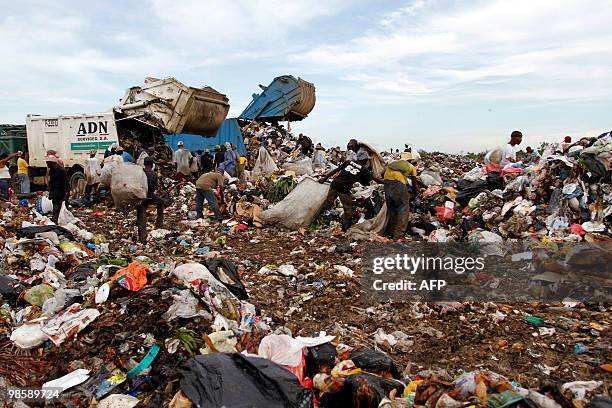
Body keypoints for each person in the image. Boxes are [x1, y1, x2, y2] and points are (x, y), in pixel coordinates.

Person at [318, 150, 380, 231]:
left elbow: (335, 170)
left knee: (328, 204)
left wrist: (324, 178)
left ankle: (319, 222)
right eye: (367, 160)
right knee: (348, 211)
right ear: (364, 160)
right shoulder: (363, 169)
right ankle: (345, 230)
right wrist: (385, 182)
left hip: (335, 184)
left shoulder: (348, 162)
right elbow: (374, 179)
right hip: (344, 189)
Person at [383, 152, 419, 239]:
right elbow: (414, 183)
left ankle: (392, 231)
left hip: (386, 183)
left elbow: (381, 173)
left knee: (392, 207)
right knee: (403, 207)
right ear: (410, 160)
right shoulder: (411, 167)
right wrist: (415, 193)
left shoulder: (392, 164)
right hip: (398, 184)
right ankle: (398, 235)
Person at [136, 157, 166, 242]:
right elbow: (153, 188)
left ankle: (142, 236)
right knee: (161, 202)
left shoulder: (140, 173)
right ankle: (159, 224)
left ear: (144, 164)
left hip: (140, 196)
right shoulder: (153, 174)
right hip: (150, 195)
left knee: (141, 213)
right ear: (152, 164)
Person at [46, 156, 69, 224]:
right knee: (55, 208)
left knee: (62, 209)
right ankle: (55, 222)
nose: (47, 164)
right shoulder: (51, 171)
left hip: (61, 193)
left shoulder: (62, 170)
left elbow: (66, 183)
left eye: (48, 163)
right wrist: (50, 191)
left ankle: (60, 222)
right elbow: (51, 182)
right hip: (55, 193)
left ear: (52, 163)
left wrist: (66, 194)